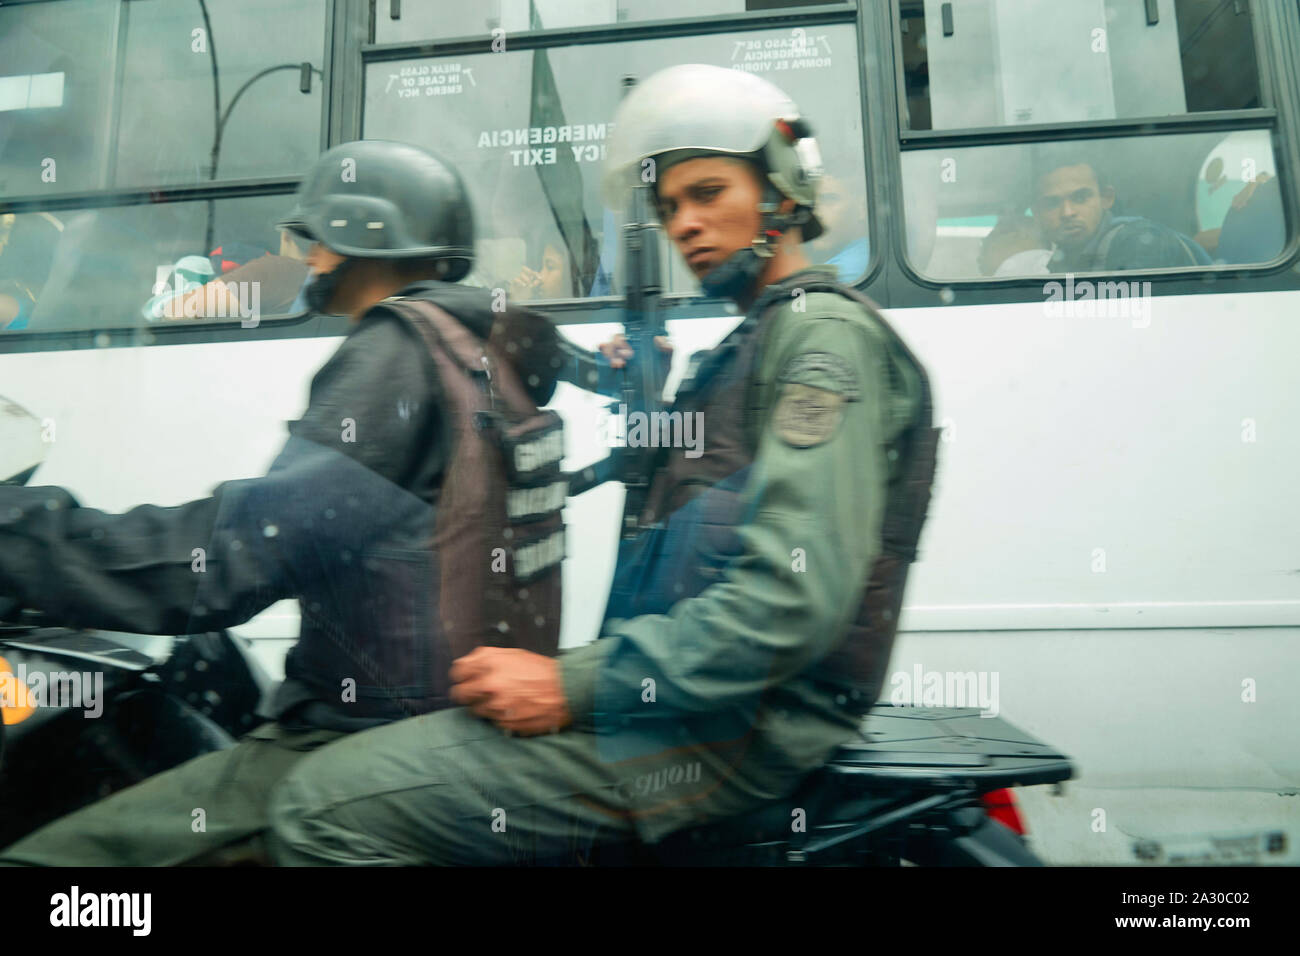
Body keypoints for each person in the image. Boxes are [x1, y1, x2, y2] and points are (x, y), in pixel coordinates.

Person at [262, 64, 939, 866]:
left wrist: (570, 686)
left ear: (781, 190)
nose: (685, 223)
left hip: (729, 735)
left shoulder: (824, 342)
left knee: (320, 806)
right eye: (669, 206)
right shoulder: (756, 338)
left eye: (708, 192)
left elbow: (790, 603)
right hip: (694, 708)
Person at [0, 139, 568, 866]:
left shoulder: (396, 351)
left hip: (358, 741)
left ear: (366, 235)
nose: (304, 254)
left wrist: (21, 534)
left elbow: (233, 559)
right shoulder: (487, 355)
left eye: (314, 236)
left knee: (64, 862)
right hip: (450, 731)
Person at [1031, 158, 1211, 272]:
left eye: (1080, 198)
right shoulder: (1060, 261)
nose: (1067, 213)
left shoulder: (1140, 244)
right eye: (1052, 203)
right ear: (1037, 214)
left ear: (1106, 198)